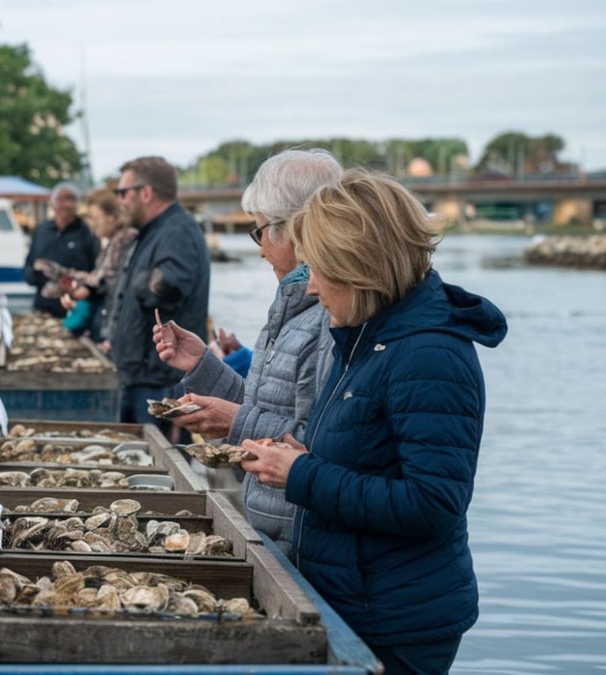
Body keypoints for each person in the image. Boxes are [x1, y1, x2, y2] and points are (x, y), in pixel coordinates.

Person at [239, 168, 507, 674]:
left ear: (356, 267)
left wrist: (302, 475)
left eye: (317, 268)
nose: (311, 288)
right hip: (351, 600)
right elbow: (366, 455)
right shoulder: (362, 336)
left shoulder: (430, 356)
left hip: (397, 623)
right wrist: (303, 458)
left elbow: (432, 504)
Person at [153, 148, 342, 554]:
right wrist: (204, 366)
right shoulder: (295, 305)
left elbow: (314, 448)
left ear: (291, 227)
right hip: (278, 529)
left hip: (299, 541)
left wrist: (236, 422)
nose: (258, 248)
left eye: (258, 231)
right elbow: (268, 408)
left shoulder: (331, 313)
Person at [106, 156, 210, 437]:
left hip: (160, 383)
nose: (120, 200)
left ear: (146, 192)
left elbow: (169, 286)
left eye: (123, 192)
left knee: (159, 472)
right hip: (141, 377)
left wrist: (137, 280)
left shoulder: (177, 230)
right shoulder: (154, 232)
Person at [59, 188, 138, 342]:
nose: (92, 225)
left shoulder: (125, 240)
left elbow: (110, 284)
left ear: (113, 217)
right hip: (105, 327)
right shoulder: (111, 242)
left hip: (116, 334)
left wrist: (85, 288)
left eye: (96, 218)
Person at [23, 183, 99, 318]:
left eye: (71, 199)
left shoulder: (88, 233)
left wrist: (84, 288)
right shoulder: (41, 231)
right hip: (43, 307)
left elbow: (98, 273)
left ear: (77, 204)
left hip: (75, 309)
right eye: (62, 199)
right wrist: (35, 274)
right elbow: (29, 266)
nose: (67, 204)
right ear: (53, 204)